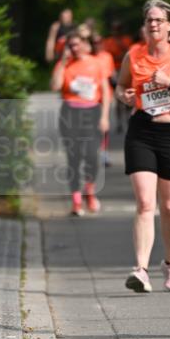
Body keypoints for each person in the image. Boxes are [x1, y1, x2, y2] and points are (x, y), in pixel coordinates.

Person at [116, 0, 170, 292]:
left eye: (159, 20)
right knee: (144, 203)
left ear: (169, 25)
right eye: (149, 20)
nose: (154, 24)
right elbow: (120, 85)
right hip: (141, 131)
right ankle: (140, 269)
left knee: (168, 205)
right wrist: (124, 96)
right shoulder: (134, 55)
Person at [50, 29, 110, 216]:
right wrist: (63, 62)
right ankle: (76, 199)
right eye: (71, 45)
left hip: (92, 112)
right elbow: (55, 86)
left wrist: (105, 116)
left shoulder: (96, 63)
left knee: (92, 155)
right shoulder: (64, 64)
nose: (74, 48)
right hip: (70, 112)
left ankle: (89, 190)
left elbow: (105, 90)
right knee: (73, 157)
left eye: (77, 44)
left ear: (84, 44)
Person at [91, 33, 115, 167]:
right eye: (94, 42)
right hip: (91, 98)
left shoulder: (107, 57)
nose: (97, 44)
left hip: (105, 96)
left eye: (99, 41)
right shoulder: (88, 57)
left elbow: (111, 76)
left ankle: (104, 153)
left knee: (104, 126)